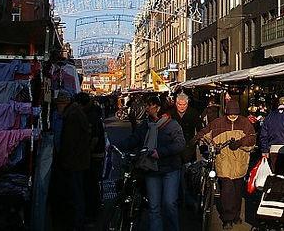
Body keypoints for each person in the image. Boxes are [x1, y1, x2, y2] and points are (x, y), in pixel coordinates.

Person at [119, 96, 185, 231]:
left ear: (157, 107)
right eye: (146, 105)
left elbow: (180, 144)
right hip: (151, 168)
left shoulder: (172, 124)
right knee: (154, 207)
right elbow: (134, 139)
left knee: (169, 203)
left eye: (150, 105)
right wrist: (117, 146)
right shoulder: (145, 125)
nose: (147, 108)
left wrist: (160, 152)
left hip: (169, 168)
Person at [194, 99, 256, 229]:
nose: (233, 116)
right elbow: (205, 133)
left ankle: (236, 215)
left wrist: (240, 143)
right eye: (230, 114)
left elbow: (252, 138)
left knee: (238, 191)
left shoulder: (245, 123)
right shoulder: (217, 123)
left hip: (240, 162)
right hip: (223, 162)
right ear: (226, 112)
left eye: (235, 114)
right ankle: (228, 218)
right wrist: (195, 140)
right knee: (227, 190)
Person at [56, 92, 91, 231]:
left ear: (62, 104)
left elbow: (70, 142)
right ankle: (79, 220)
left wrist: (64, 160)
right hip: (79, 160)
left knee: (76, 192)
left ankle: (78, 223)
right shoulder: (75, 112)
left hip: (75, 161)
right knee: (78, 191)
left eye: (58, 104)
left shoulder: (72, 116)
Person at [83, 96, 106, 220]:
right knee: (94, 182)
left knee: (91, 183)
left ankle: (92, 211)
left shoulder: (91, 118)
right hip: (98, 154)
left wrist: (88, 151)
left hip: (94, 155)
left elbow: (95, 138)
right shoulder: (95, 116)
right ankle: (95, 207)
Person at [170, 92, 203, 163]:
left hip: (189, 146)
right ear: (176, 103)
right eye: (180, 104)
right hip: (173, 147)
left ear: (187, 104)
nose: (182, 107)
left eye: (184, 104)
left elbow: (200, 129)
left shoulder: (194, 113)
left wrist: (195, 141)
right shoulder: (170, 114)